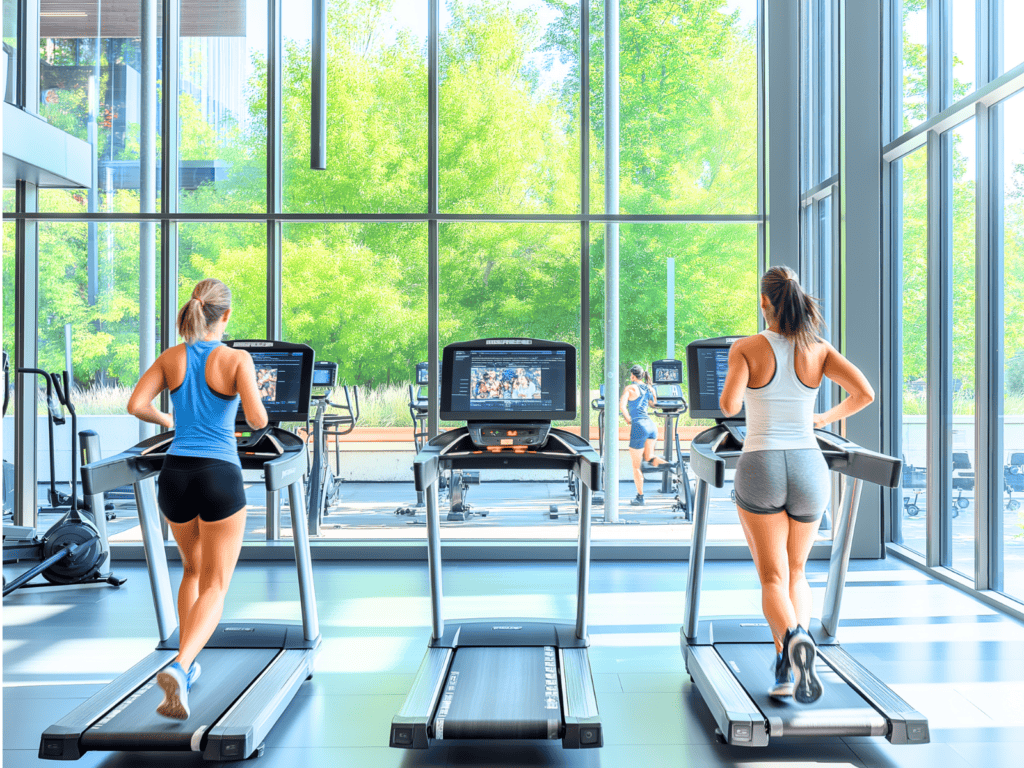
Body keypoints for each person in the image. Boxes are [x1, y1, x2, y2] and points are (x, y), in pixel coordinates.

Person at [718, 265, 875, 704]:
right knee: (798, 571)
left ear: (764, 302)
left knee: (771, 577)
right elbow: (865, 394)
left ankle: (790, 640)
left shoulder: (746, 347)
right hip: (809, 465)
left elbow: (730, 406)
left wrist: (742, 382)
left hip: (761, 462)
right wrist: (822, 418)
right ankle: (791, 661)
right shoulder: (819, 349)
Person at [126, 278, 268, 720]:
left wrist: (169, 416)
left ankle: (184, 664)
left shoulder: (172, 357)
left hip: (175, 475)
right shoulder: (237, 358)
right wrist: (251, 389)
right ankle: (183, 665)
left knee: (190, 568)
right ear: (224, 316)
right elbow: (259, 418)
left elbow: (135, 404)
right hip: (219, 475)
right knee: (216, 584)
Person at [619, 364, 677, 506]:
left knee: (636, 466)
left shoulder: (630, 388)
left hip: (639, 426)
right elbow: (653, 404)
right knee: (649, 457)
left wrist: (628, 419)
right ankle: (670, 465)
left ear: (633, 375)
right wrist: (652, 390)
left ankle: (640, 497)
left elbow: (622, 406)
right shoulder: (649, 388)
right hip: (651, 426)